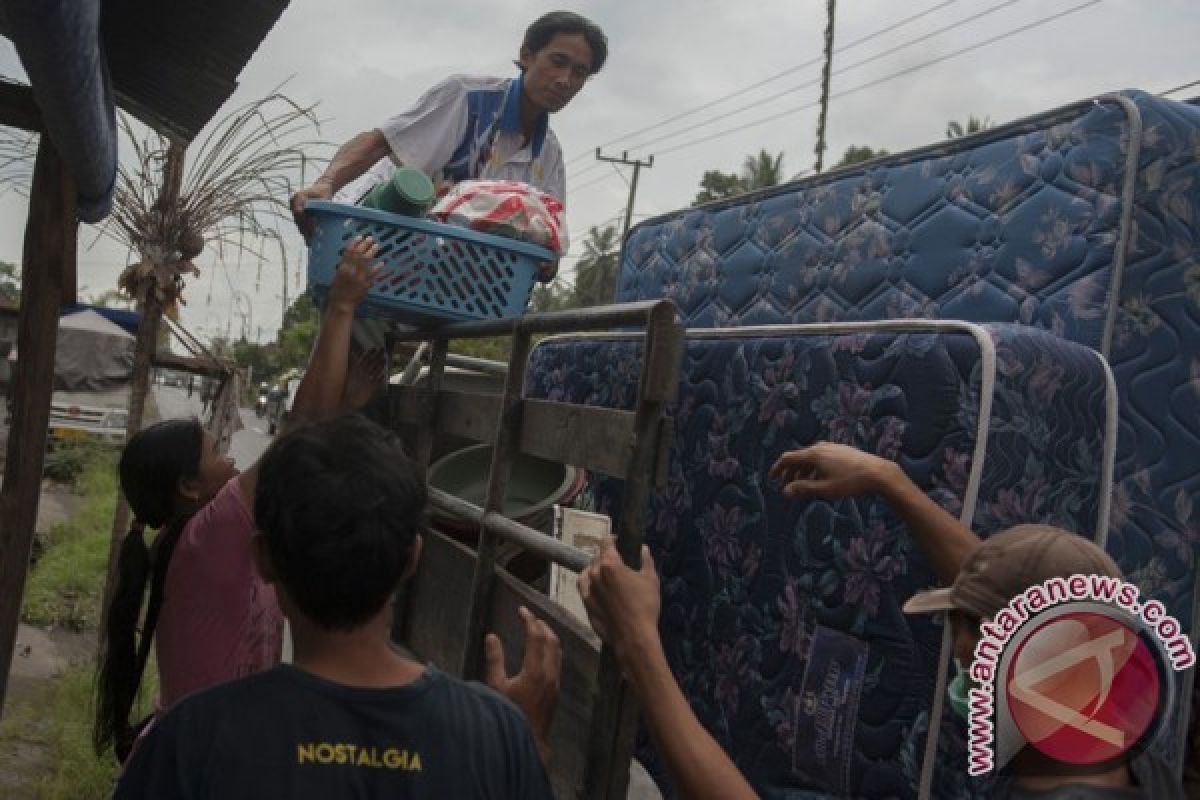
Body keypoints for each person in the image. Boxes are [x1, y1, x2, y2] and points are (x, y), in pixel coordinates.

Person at [579, 442, 1185, 799]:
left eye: (969, 649)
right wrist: (888, 481)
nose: (961, 665)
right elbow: (1007, 583)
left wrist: (640, 649)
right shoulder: (1128, 758)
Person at [112, 412, 562, 799]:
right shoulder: (495, 736)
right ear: (412, 559)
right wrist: (528, 744)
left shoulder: (188, 740)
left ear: (263, 559)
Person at [94, 236, 384, 762]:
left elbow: (306, 450)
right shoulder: (208, 534)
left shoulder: (197, 537)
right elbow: (299, 431)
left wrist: (345, 410)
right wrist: (341, 306)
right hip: (206, 763)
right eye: (213, 451)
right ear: (187, 486)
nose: (228, 455)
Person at [289, 11, 609, 279]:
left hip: (446, 282)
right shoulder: (467, 98)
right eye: (557, 62)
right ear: (527, 55)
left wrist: (545, 261)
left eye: (579, 72)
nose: (564, 80)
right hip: (368, 243)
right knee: (352, 346)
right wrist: (326, 183)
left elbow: (549, 248)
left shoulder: (549, 155)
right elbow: (380, 142)